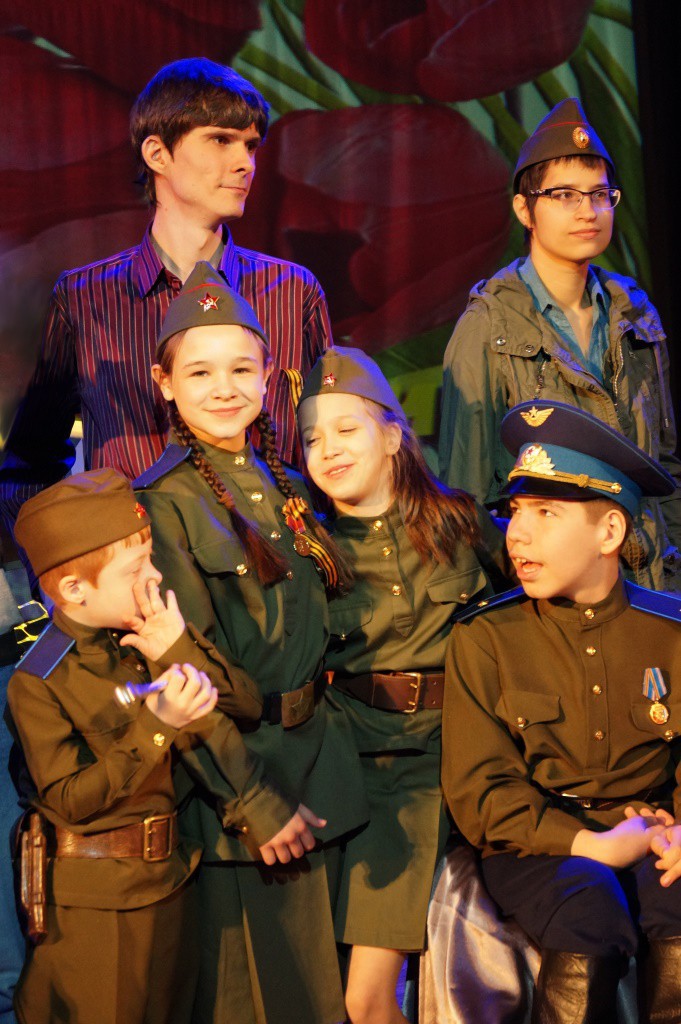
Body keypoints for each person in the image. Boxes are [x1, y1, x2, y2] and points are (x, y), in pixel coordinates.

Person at [133, 262, 368, 1024]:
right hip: (244, 792)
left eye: (241, 368)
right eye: (199, 372)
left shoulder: (286, 483)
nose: (224, 387)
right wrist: (250, 802)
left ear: (269, 376)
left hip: (325, 775)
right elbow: (180, 671)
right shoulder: (162, 503)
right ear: (164, 383)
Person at [0, 56, 332, 538]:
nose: (245, 163)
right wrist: (60, 571)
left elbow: (332, 443)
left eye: (250, 145)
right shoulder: (84, 299)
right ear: (157, 154)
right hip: (148, 570)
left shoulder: (292, 291)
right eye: (220, 140)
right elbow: (31, 464)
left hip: (282, 565)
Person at [441, 399, 681, 1022]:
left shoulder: (671, 632)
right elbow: (481, 791)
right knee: (588, 909)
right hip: (537, 842)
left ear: (610, 532)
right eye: (516, 511)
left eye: (546, 513)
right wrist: (591, 846)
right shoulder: (485, 638)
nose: (517, 534)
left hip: (655, 825)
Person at [5, 467, 265, 1024]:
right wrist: (157, 724)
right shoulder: (40, 679)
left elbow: (247, 706)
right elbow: (69, 800)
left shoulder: (145, 633)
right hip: (99, 903)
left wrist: (176, 647)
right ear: (74, 590)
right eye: (135, 568)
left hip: (172, 880)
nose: (154, 576)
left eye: (151, 558)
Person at [296, 346, 506, 1024]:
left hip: (445, 761)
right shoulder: (311, 553)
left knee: (369, 997)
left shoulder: (459, 523)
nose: (327, 449)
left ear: (392, 436)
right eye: (311, 439)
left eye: (345, 429)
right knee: (341, 995)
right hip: (350, 769)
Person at [439, 97, 681, 592]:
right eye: (564, 195)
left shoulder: (636, 315)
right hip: (550, 595)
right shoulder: (486, 327)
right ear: (524, 209)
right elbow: (467, 498)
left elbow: (666, 467)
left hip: (649, 588)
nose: (588, 211)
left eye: (600, 194)